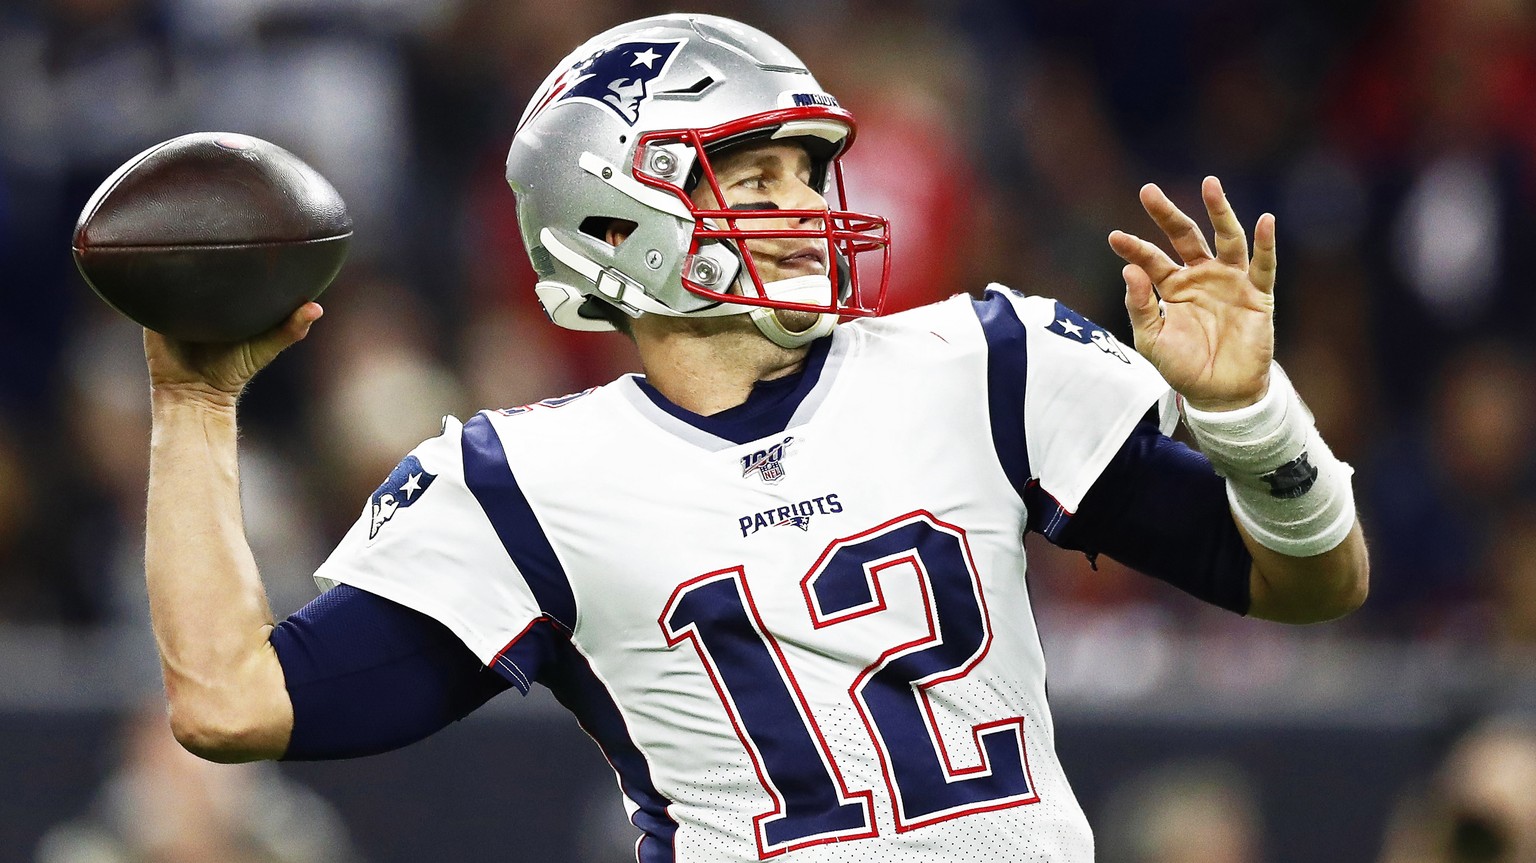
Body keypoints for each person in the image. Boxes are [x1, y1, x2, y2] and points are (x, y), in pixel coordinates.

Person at [140, 13, 1369, 862]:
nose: (808, 206)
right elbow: (231, 698)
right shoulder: (526, 483)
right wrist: (194, 407)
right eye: (756, 176)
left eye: (808, 171)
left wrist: (1249, 416)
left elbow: (1312, 582)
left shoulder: (980, 365)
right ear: (615, 209)